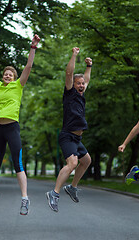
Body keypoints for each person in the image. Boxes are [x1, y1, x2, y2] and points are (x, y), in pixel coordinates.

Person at [0, 34, 41, 215]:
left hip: (12, 128)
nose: (6, 75)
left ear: (14, 77)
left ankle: (25, 198)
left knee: (18, 164)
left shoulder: (18, 85)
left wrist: (33, 47)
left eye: (10, 74)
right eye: (5, 73)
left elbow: (28, 66)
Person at [46, 47, 92, 212]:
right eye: (78, 83)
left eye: (82, 84)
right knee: (72, 163)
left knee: (86, 161)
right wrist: (74, 55)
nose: (81, 85)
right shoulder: (70, 93)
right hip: (67, 136)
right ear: (72, 84)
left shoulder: (81, 95)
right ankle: (54, 193)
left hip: (77, 139)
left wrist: (89, 66)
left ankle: (72, 188)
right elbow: (69, 73)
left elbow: (86, 78)